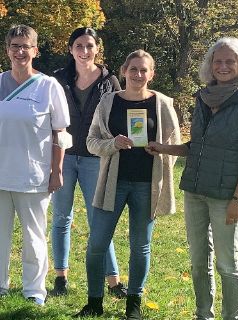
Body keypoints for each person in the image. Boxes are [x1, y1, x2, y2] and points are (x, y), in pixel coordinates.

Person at [146, 37, 238, 320]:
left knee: (227, 264)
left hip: (226, 197)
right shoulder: (203, 97)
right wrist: (164, 148)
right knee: (199, 263)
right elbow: (196, 145)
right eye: (218, 61)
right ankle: (203, 315)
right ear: (210, 65)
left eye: (229, 61)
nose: (223, 66)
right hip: (195, 191)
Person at [75, 49, 180, 319]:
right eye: (133, 69)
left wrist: (161, 150)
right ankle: (94, 303)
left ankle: (133, 305)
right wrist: (113, 144)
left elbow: (176, 148)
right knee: (97, 244)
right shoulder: (109, 102)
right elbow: (91, 142)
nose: (138, 74)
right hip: (113, 183)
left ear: (152, 74)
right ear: (124, 71)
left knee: (140, 246)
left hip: (147, 184)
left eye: (144, 70)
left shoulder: (164, 103)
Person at [50, 27, 127, 298]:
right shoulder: (57, 79)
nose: (84, 51)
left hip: (97, 158)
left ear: (97, 49)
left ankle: (114, 281)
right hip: (63, 157)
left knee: (100, 221)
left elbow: (122, 113)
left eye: (89, 46)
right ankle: (61, 277)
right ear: (71, 49)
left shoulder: (111, 81)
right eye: (78, 46)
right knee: (61, 218)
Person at [0, 25, 70, 306]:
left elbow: (60, 133)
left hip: (34, 176)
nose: (20, 51)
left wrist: (57, 171)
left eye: (25, 46)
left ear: (35, 51)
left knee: (33, 237)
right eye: (14, 46)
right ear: (7, 50)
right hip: (0, 175)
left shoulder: (48, 86)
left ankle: (34, 290)